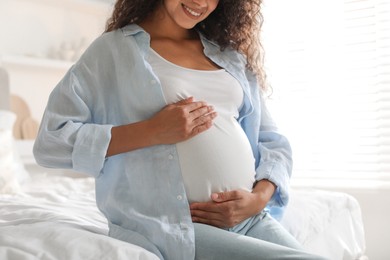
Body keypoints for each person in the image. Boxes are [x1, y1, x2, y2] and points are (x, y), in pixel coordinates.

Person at [33, 0, 328, 259]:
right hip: (174, 226)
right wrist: (152, 130)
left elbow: (273, 142)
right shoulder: (113, 52)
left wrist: (258, 199)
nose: (202, 2)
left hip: (250, 219)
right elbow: (51, 141)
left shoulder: (229, 57)